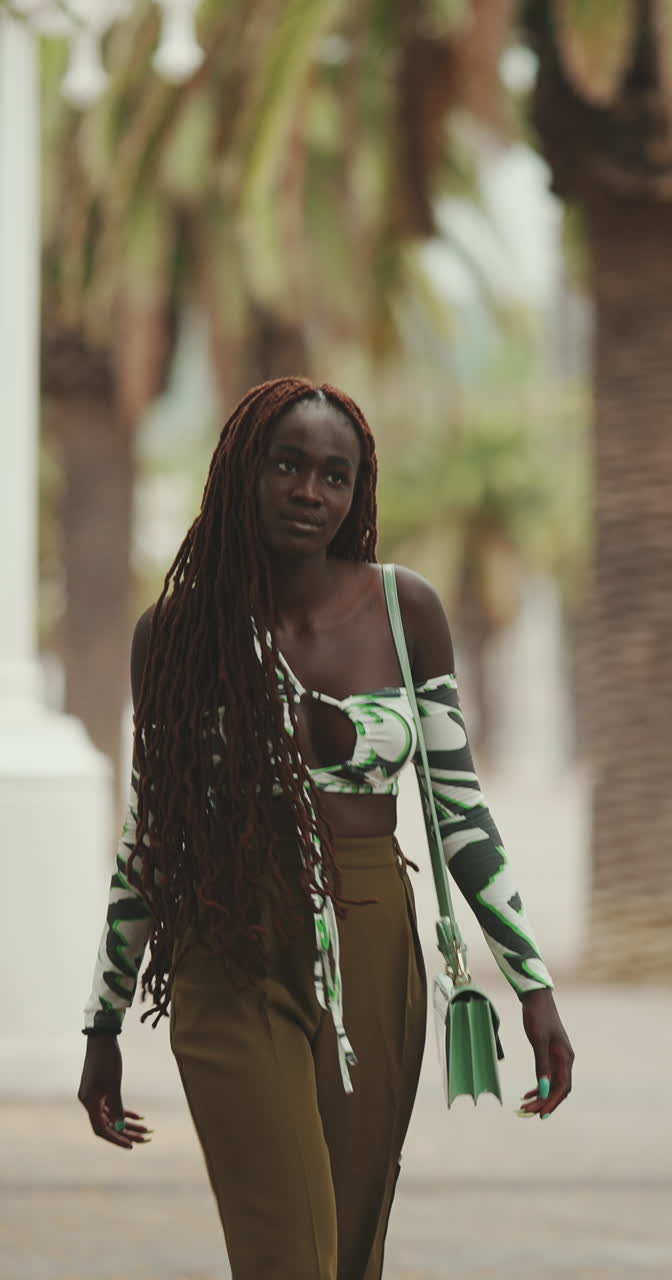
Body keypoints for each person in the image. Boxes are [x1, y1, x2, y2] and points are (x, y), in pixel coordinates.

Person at [78, 376, 574, 1279]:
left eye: (335, 476)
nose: (311, 491)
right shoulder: (177, 636)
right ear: (242, 472)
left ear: (357, 494)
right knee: (286, 1256)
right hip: (230, 944)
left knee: (348, 1255)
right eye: (288, 465)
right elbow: (152, 834)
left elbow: (460, 810)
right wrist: (103, 1022)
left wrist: (532, 985)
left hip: (375, 934)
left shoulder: (404, 611)